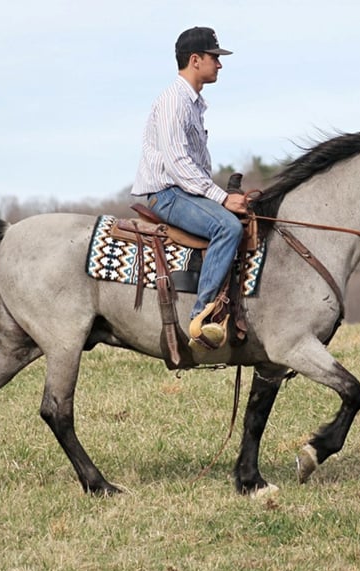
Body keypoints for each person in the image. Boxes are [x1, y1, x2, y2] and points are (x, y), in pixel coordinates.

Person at [131, 26, 247, 350]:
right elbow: (178, 164)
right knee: (227, 227)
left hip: (184, 192)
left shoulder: (193, 103)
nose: (220, 64)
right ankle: (202, 318)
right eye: (215, 57)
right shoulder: (174, 101)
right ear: (195, 60)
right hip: (167, 195)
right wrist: (222, 198)